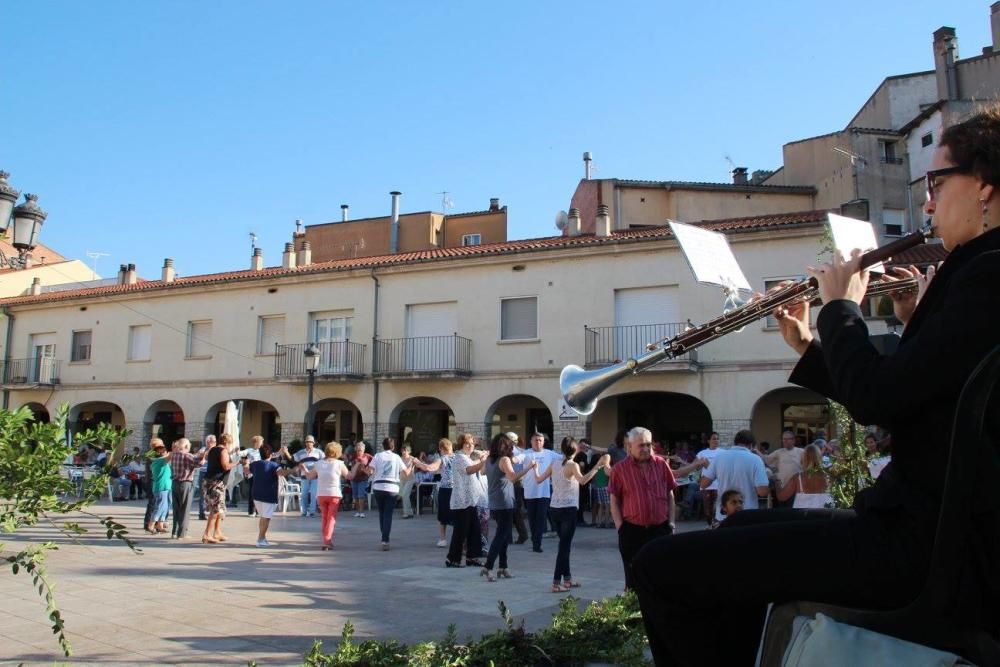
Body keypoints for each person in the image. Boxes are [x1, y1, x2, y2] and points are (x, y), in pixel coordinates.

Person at [632, 106, 1000, 665]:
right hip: (919, 532)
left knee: (660, 567)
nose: (927, 201)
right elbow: (904, 393)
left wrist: (842, 309)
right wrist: (811, 341)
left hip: (922, 550)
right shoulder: (973, 272)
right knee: (746, 522)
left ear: (985, 189)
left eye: (936, 181)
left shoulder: (984, 274)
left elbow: (880, 397)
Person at [534, 437, 610, 592]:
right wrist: (597, 466)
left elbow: (539, 479)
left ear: (562, 449)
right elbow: (583, 481)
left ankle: (567, 579)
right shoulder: (572, 465)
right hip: (567, 510)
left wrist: (534, 468)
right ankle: (556, 583)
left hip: (554, 509)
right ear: (575, 450)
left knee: (565, 546)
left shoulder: (554, 464)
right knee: (564, 547)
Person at [608, 426, 678, 591]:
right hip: (632, 531)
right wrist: (621, 528)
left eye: (648, 445)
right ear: (629, 447)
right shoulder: (619, 470)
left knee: (661, 576)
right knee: (633, 580)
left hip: (660, 529)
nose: (646, 449)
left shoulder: (661, 465)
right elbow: (614, 501)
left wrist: (672, 523)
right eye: (641, 445)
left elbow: (670, 495)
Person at [481, 433, 536, 581]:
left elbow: (482, 472)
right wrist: (529, 468)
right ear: (506, 446)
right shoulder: (504, 459)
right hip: (505, 502)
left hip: (494, 502)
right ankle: (488, 566)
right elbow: (512, 477)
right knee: (501, 536)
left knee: (504, 535)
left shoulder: (489, 460)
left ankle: (503, 567)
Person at [297, 441, 358, 550]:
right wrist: (356, 465)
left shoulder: (318, 463)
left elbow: (309, 477)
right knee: (331, 518)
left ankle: (326, 540)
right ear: (337, 452)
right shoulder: (339, 463)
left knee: (325, 518)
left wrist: (304, 468)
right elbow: (350, 476)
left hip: (321, 494)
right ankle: (327, 541)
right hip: (334, 494)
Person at [700, 429, 770, 522]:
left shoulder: (719, 457)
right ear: (751, 445)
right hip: (748, 514)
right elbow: (762, 492)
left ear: (735, 443)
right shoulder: (756, 460)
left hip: (724, 514)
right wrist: (771, 481)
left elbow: (703, 484)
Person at [445, 433, 486, 567]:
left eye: (472, 443)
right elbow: (469, 470)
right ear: (462, 444)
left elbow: (475, 466)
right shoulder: (460, 457)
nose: (470, 446)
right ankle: (452, 559)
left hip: (470, 500)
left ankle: (472, 557)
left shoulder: (466, 457)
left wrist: (482, 459)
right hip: (462, 501)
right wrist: (483, 462)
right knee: (460, 531)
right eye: (467, 443)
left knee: (474, 529)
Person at [363, 437, 410, 551]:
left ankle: (384, 536)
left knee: (382, 513)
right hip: (392, 488)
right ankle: (385, 539)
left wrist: (364, 467)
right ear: (393, 447)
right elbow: (406, 473)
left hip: (378, 487)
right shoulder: (397, 457)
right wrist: (412, 465)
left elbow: (370, 471)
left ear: (383, 446)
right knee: (388, 514)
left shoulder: (378, 456)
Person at [410, 438, 455, 547]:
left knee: (443, 515)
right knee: (458, 516)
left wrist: (418, 462)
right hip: (458, 489)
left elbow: (430, 468)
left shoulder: (443, 458)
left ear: (440, 448)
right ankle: (461, 540)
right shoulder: (459, 457)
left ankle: (443, 539)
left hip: (446, 489)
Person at [522, 431, 561, 553]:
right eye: (535, 440)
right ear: (531, 441)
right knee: (532, 520)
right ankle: (535, 540)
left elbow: (564, 457)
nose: (538, 442)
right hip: (530, 493)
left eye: (540, 440)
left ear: (544, 442)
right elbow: (515, 459)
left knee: (541, 519)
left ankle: (537, 544)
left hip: (544, 493)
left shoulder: (549, 454)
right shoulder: (526, 453)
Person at [246, 443, 292, 547]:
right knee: (265, 518)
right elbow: (282, 473)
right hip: (269, 495)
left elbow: (247, 470)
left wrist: (245, 463)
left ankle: (263, 538)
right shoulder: (274, 466)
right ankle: (260, 539)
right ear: (270, 454)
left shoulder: (255, 464)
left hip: (256, 494)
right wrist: (293, 470)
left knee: (263, 517)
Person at [167, 438, 206, 539]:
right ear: (186, 446)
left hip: (174, 483)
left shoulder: (174, 455)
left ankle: (174, 532)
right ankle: (182, 534)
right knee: (185, 509)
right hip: (185, 484)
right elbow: (200, 464)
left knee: (176, 509)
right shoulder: (187, 455)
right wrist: (203, 456)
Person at [201, 433, 235, 544]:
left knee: (219, 509)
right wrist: (236, 463)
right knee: (215, 510)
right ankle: (207, 535)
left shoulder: (212, 450)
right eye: (230, 443)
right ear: (227, 442)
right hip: (216, 483)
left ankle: (217, 532)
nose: (230, 446)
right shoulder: (223, 451)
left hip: (209, 481)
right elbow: (225, 466)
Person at [776, 443, 831, 509]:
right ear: (819, 457)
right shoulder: (829, 477)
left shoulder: (798, 478)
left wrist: (777, 483)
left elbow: (782, 497)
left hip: (804, 518)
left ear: (804, 458)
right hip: (825, 517)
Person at [762, 430, 803, 507]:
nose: (785, 441)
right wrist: (757, 451)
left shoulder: (801, 452)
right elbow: (766, 460)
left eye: (787, 439)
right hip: (782, 488)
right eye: (783, 439)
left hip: (797, 489)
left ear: (793, 440)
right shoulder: (778, 452)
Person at [694, 432, 723, 525]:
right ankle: (710, 526)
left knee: (718, 509)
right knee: (707, 511)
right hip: (706, 485)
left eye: (717, 439)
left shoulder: (724, 453)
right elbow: (695, 467)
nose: (716, 441)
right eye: (714, 439)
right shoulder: (702, 453)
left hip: (719, 485)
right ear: (708, 441)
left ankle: (717, 526)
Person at [145, 439, 171, 534]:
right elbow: (170, 456)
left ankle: (160, 525)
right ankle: (150, 525)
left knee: (164, 506)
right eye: (163, 448)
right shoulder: (158, 461)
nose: (165, 450)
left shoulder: (159, 460)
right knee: (159, 506)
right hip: (160, 486)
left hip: (166, 486)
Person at [293, 435, 321, 517]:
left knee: (313, 493)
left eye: (310, 442)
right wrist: (285, 452)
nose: (308, 443)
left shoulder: (319, 452)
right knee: (304, 494)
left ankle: (312, 511)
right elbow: (293, 458)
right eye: (307, 442)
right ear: (305, 443)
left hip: (315, 476)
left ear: (313, 443)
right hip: (304, 475)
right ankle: (304, 511)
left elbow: (324, 461)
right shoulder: (301, 452)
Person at [243, 435, 263, 516]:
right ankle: (251, 511)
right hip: (252, 474)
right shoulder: (249, 450)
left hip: (260, 474)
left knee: (259, 492)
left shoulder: (262, 451)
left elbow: (271, 454)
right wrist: (236, 451)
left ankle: (258, 511)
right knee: (252, 492)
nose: (262, 444)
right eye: (261, 442)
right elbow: (241, 453)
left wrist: (280, 452)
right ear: (256, 442)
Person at [351, 441, 371, 518]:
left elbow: (374, 462)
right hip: (354, 479)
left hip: (363, 479)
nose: (359, 452)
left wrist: (369, 470)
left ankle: (361, 512)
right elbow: (350, 467)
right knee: (355, 496)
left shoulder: (367, 456)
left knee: (361, 495)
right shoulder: (353, 457)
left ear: (364, 450)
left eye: (361, 450)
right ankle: (357, 511)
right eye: (358, 450)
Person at [399, 444, 417, 518]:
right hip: (402, 479)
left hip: (410, 479)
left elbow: (420, 465)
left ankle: (406, 513)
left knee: (405, 494)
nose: (404, 452)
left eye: (405, 450)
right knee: (403, 495)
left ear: (409, 451)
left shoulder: (412, 459)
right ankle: (410, 512)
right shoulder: (399, 458)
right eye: (403, 450)